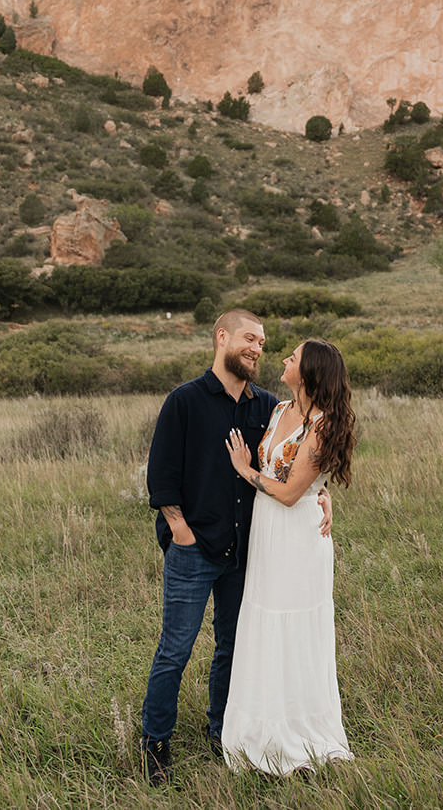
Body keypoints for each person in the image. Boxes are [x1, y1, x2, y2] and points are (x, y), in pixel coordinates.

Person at [140, 309, 331, 786]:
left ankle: (222, 730)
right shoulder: (183, 401)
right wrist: (180, 530)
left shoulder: (265, 405)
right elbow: (161, 478)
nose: (257, 349)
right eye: (249, 338)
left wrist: (322, 495)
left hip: (247, 553)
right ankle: (154, 743)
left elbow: (292, 465)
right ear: (221, 337)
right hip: (192, 550)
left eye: (263, 343)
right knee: (175, 649)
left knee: (233, 647)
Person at [220, 338, 356, 776]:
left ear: (310, 372)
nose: (283, 359)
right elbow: (296, 477)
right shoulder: (279, 410)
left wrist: (245, 471)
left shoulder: (322, 423)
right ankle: (260, 725)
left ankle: (297, 729)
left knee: (292, 625)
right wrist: (323, 491)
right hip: (268, 536)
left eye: (293, 358)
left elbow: (291, 490)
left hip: (298, 538)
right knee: (263, 621)